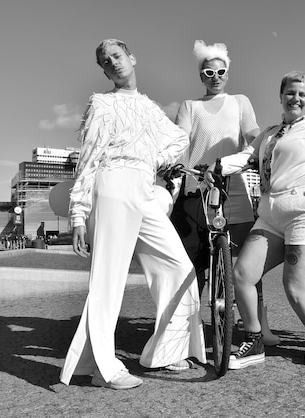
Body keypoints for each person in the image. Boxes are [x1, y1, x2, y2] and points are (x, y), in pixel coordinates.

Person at [60, 39, 205, 390]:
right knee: (108, 279)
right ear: (104, 71)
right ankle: (101, 368)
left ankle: (166, 352)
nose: (113, 63)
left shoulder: (150, 108)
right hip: (112, 183)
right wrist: (78, 215)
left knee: (178, 266)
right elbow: (88, 158)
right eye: (105, 61)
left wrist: (156, 160)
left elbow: (178, 140)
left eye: (117, 56)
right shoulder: (102, 103)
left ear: (131, 58)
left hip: (143, 187)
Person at [206, 71, 305, 370]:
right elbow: (247, 156)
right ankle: (254, 340)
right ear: (281, 95)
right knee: (242, 275)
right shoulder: (269, 133)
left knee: (294, 287)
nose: (295, 98)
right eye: (290, 93)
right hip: (271, 214)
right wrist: (217, 165)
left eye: (302, 94)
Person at [171, 40, 279, 345]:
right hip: (196, 189)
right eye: (208, 72)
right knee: (195, 263)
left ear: (227, 74)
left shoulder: (240, 102)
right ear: (201, 76)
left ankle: (256, 326)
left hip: (233, 187)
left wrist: (271, 145)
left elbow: (253, 135)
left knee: (249, 261)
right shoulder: (189, 107)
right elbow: (180, 144)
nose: (215, 76)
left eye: (221, 71)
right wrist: (177, 169)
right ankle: (187, 330)